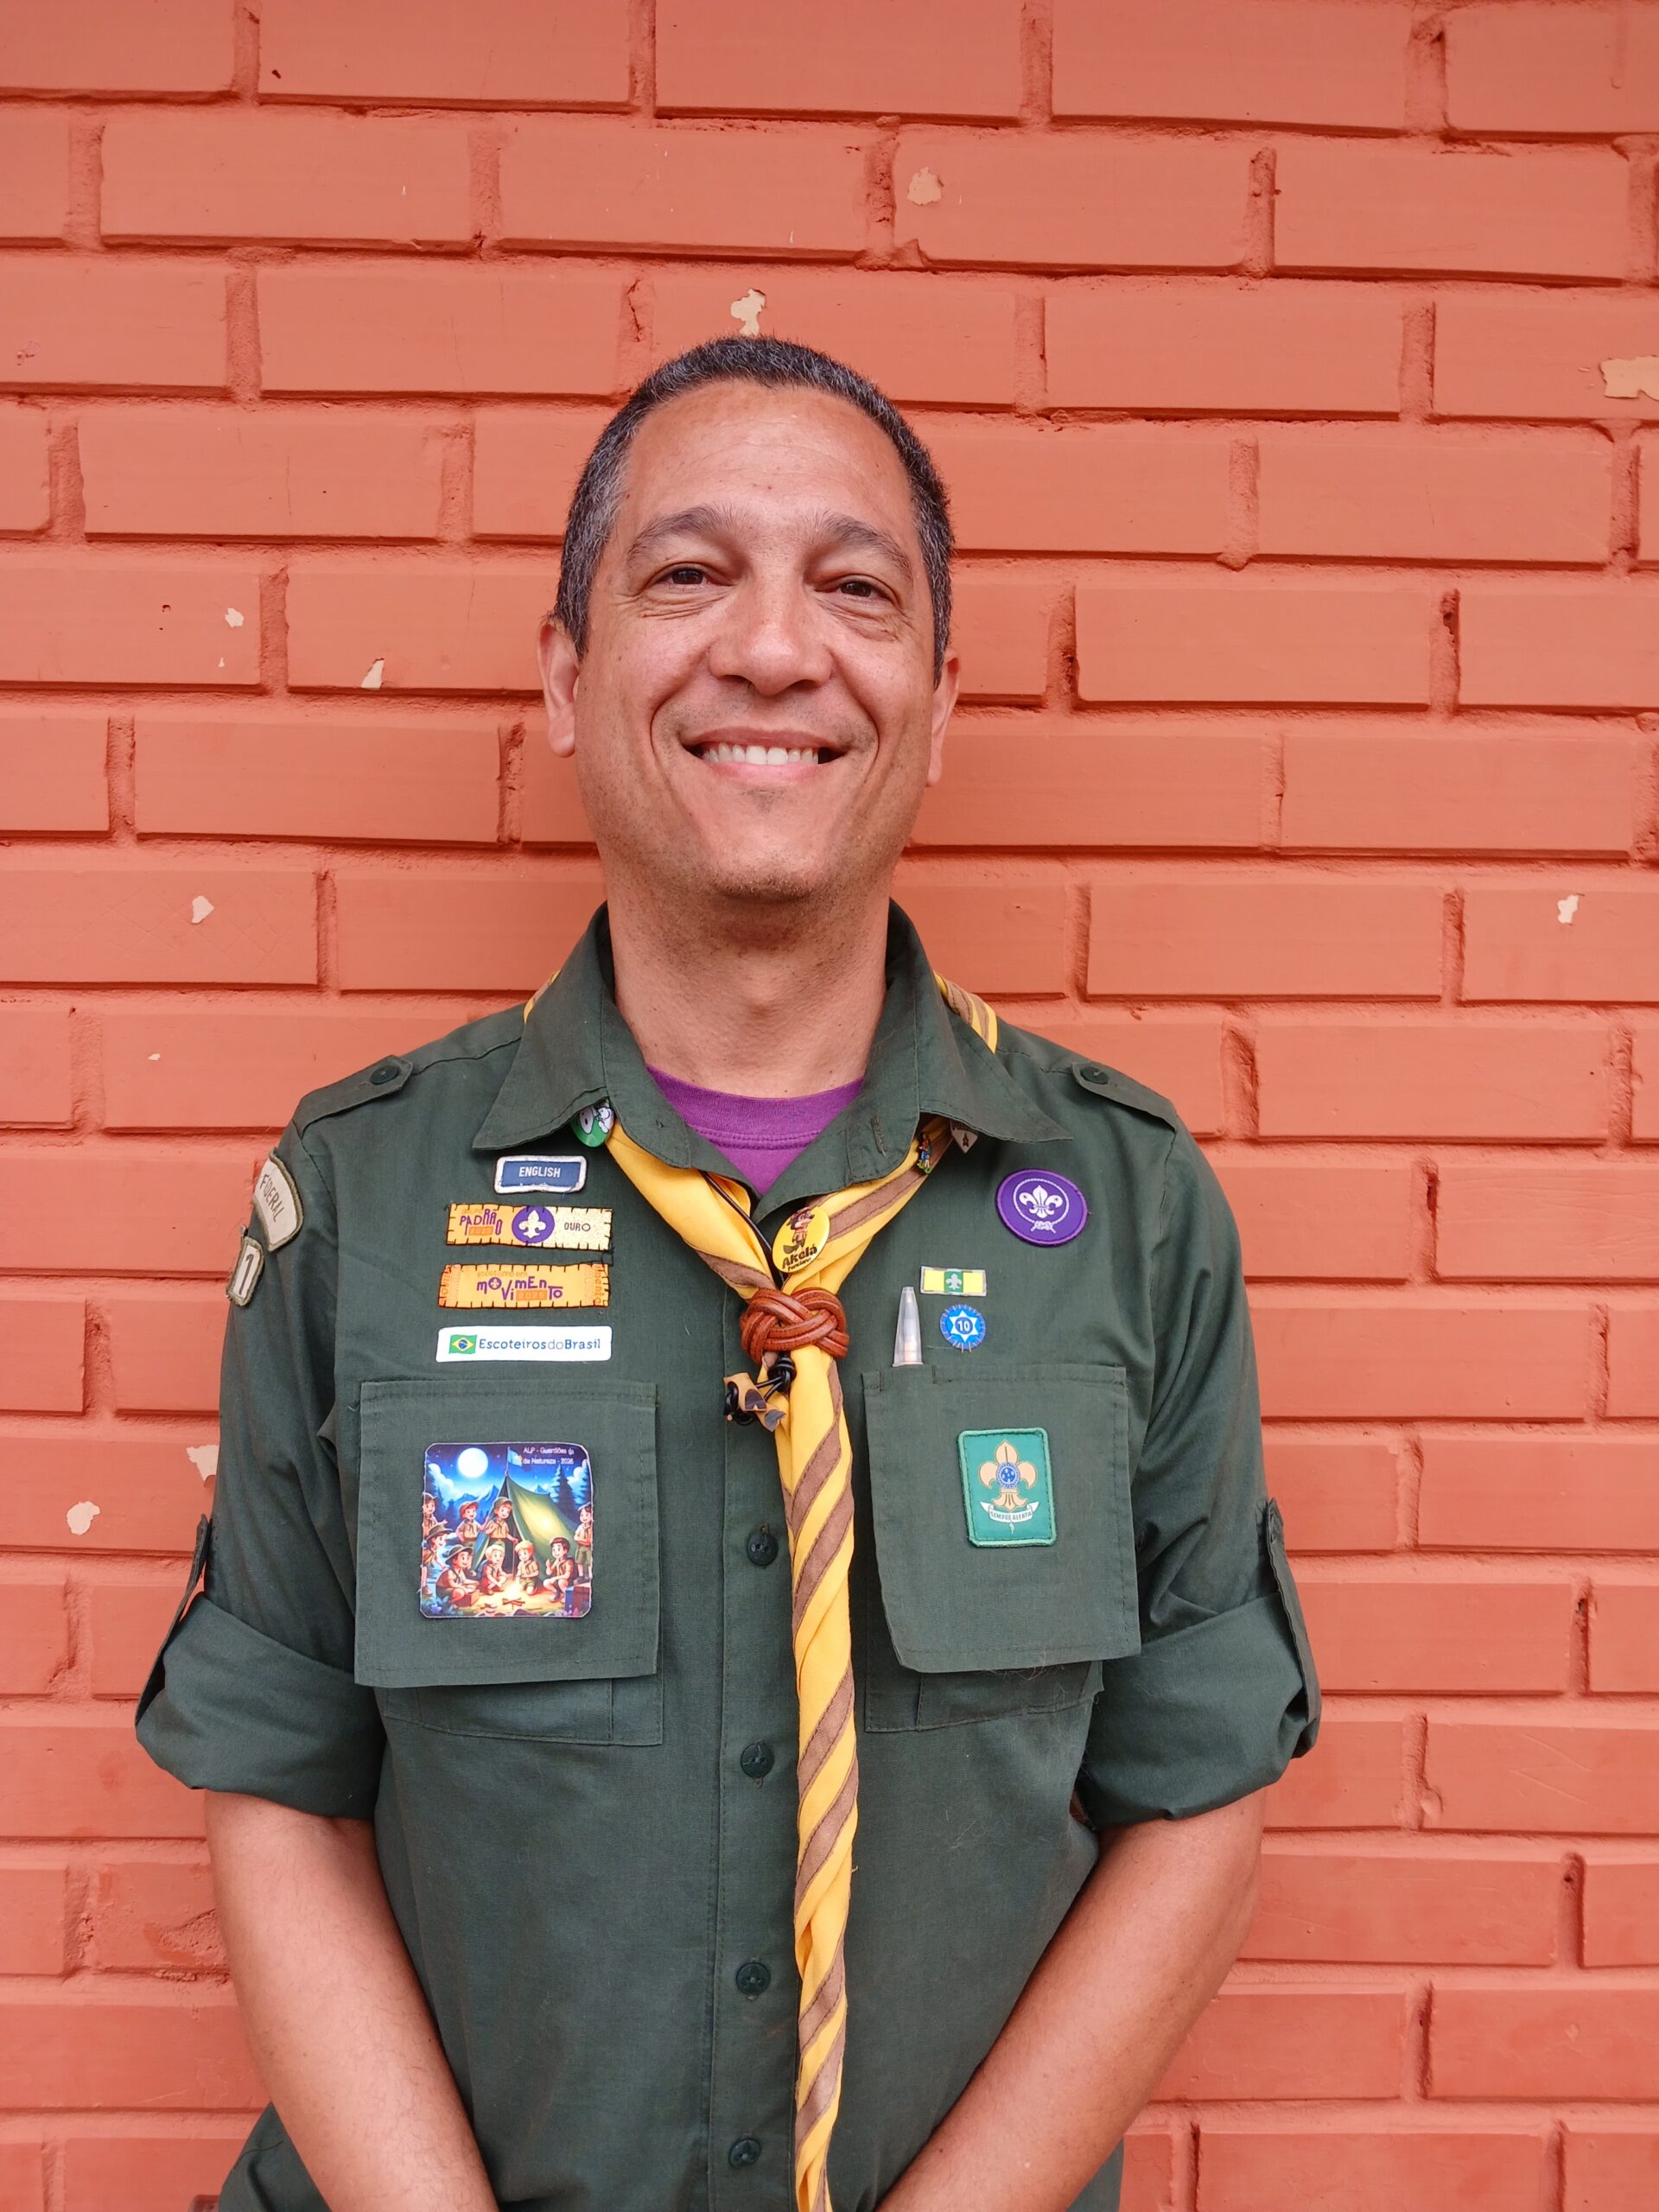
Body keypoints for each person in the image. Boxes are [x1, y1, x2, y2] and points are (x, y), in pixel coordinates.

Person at [135, 335, 1320, 2212]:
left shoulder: (1127, 1204)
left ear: (938, 701)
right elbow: (278, 1784)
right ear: (566, 677)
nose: (774, 648)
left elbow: (1199, 1793)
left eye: (857, 589)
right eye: (689, 573)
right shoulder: (359, 1195)